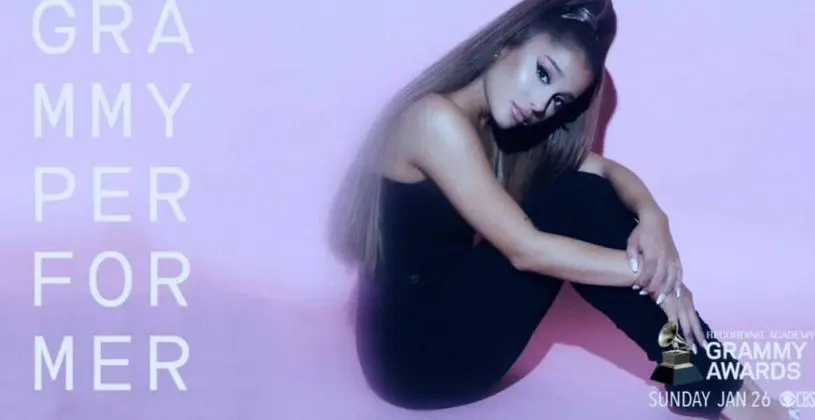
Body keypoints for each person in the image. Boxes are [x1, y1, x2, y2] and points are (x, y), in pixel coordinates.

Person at [328, 0, 797, 419]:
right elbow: (524, 250)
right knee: (573, 202)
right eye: (542, 73)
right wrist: (655, 277)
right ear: (505, 46)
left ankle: (696, 379)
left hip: (438, 336)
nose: (540, 105)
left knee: (583, 192)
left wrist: (656, 219)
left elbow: (606, 170)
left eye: (558, 100)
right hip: (418, 359)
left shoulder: (495, 131)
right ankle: (734, 399)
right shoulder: (434, 121)